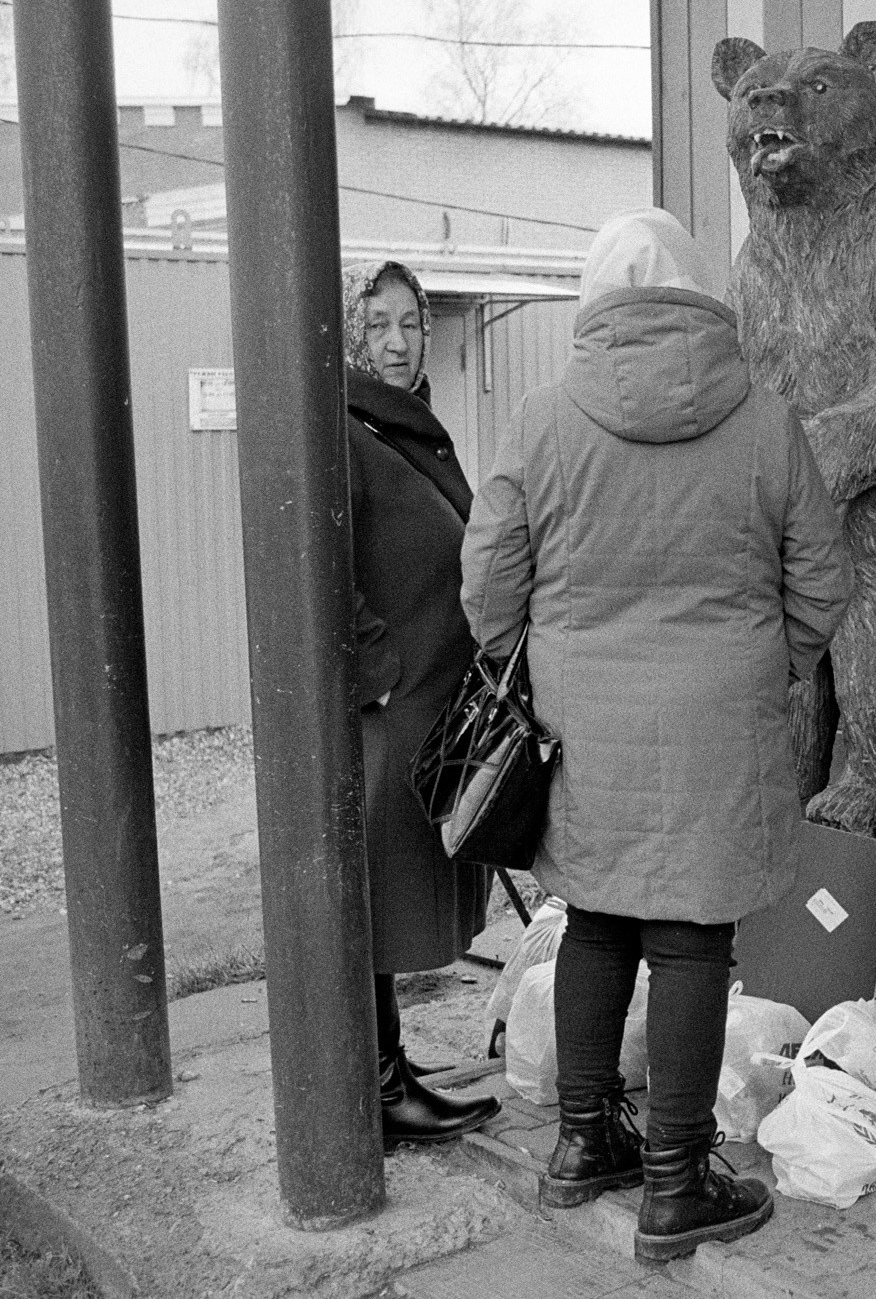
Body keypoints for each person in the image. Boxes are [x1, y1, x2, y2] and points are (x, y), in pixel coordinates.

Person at [459, 208, 851, 1264]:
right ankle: (676, 1184)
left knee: (593, 918)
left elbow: (487, 579)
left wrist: (535, 664)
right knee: (690, 939)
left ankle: (583, 1143)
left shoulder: (544, 416)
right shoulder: (764, 419)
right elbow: (823, 578)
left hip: (582, 720)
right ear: (700, 294)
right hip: (723, 719)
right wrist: (774, 666)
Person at [341, 259, 502, 1148]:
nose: (399, 344)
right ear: (349, 334)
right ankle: (375, 1088)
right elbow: (318, 565)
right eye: (378, 326)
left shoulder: (399, 425)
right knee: (375, 891)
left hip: (430, 693)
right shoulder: (340, 427)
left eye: (411, 324)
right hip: (393, 704)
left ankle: (387, 1067)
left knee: (396, 885)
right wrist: (380, 669)